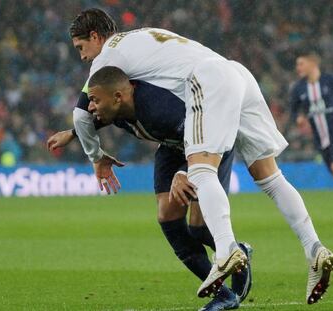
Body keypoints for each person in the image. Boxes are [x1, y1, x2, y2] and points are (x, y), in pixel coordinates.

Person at [69, 9, 333, 303]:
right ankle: (313, 247)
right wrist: (71, 132)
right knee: (270, 177)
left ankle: (225, 250)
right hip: (236, 73)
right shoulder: (141, 37)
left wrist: (96, 155)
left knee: (200, 171)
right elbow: (105, 106)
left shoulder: (106, 58)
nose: (84, 57)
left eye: (82, 48)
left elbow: (82, 113)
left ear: (95, 37)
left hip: (207, 80)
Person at [47, 77, 253, 310]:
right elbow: (98, 118)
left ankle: (238, 252)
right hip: (171, 147)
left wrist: (185, 172)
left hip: (209, 143)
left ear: (118, 97)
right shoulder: (118, 108)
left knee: (200, 229)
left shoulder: (160, 109)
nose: (90, 107)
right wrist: (73, 133)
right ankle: (224, 294)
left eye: (94, 100)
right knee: (167, 217)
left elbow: (207, 135)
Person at [290, 51, 333, 227]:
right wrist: (298, 118)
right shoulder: (299, 88)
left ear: (312, 63)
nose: (298, 68)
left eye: (301, 64)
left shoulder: (329, 80)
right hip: (319, 137)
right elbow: (294, 109)